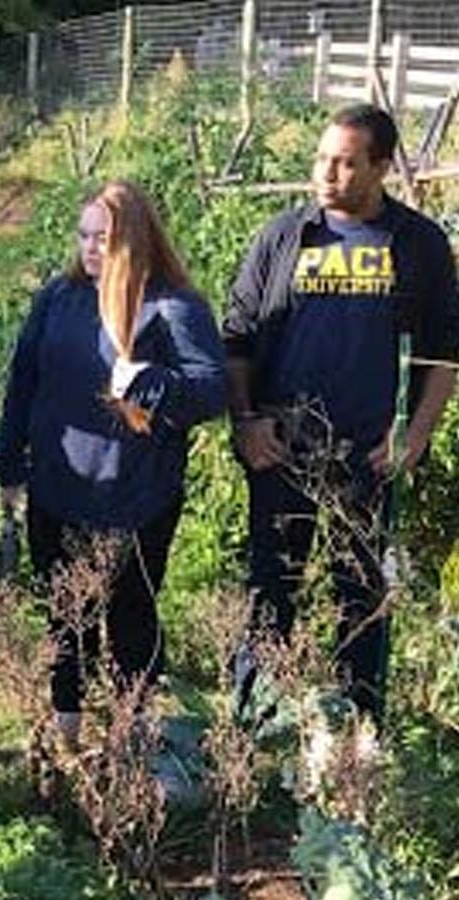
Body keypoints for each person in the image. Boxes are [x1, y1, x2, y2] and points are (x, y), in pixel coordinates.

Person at [223, 104, 459, 723]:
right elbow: (238, 337)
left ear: (381, 167)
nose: (327, 173)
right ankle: (252, 726)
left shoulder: (419, 244)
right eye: (322, 157)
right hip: (282, 443)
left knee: (362, 593)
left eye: (346, 162)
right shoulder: (283, 236)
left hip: (371, 453)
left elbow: (444, 355)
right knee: (272, 586)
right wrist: (245, 422)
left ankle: (357, 734)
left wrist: (414, 433)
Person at [0, 180, 226, 745]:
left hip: (137, 494)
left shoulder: (172, 305)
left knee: (130, 617)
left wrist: (154, 384)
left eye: (105, 237)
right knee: (64, 613)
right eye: (85, 235)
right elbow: (24, 381)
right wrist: (8, 456)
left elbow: (212, 389)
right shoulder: (59, 298)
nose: (92, 248)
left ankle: (130, 737)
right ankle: (64, 732)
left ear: (136, 241)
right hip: (57, 484)